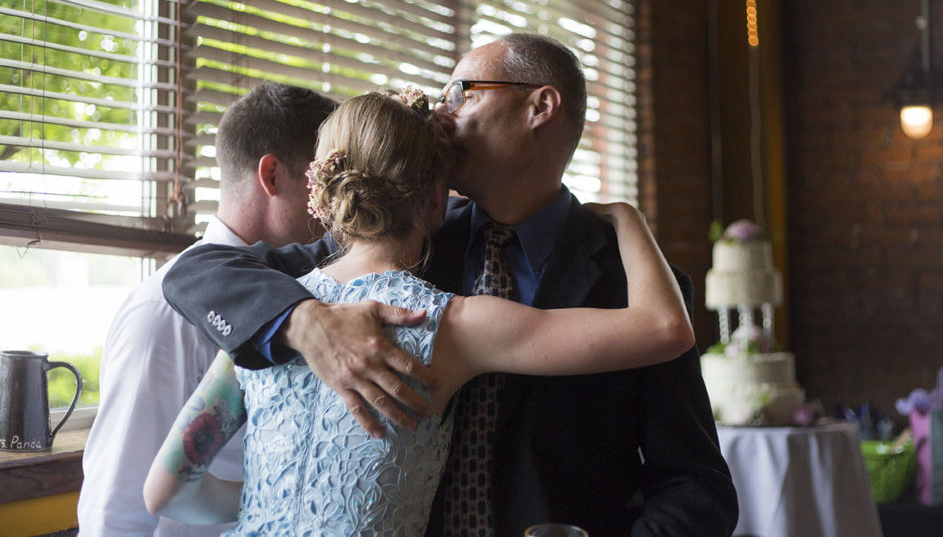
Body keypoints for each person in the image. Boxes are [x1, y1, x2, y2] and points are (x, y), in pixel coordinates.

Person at [163, 33, 739, 536]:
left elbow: (696, 485)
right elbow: (197, 270)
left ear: (540, 105)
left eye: (462, 91)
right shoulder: (396, 240)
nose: (442, 112)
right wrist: (304, 321)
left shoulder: (640, 285)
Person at [77, 83, 338, 536]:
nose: (334, 206)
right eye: (325, 183)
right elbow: (114, 509)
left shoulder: (311, 297)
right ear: (272, 176)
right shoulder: (162, 314)